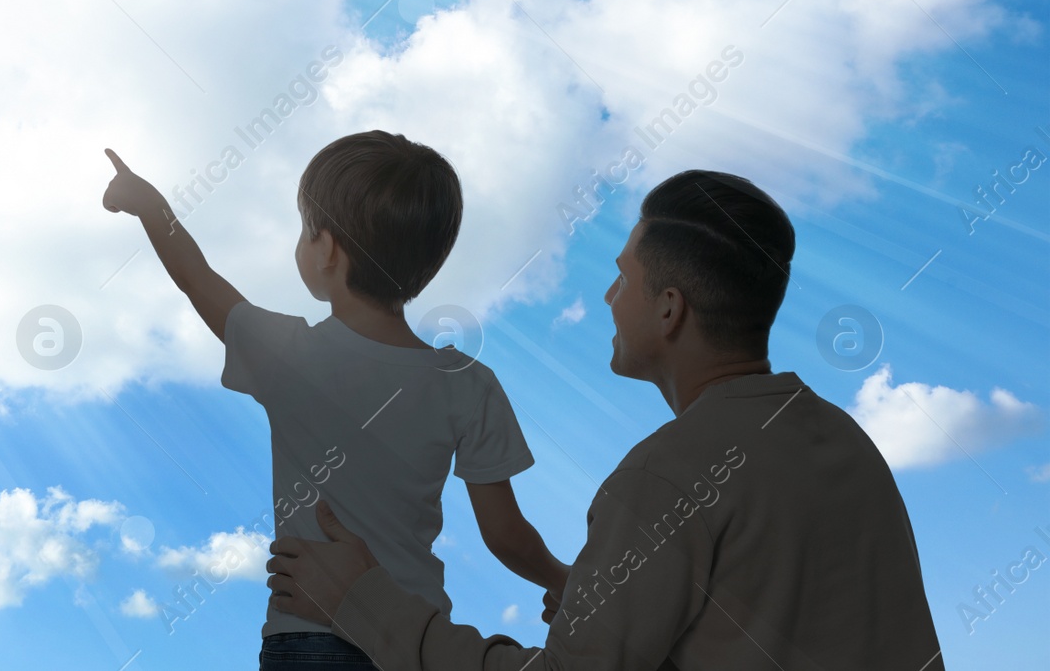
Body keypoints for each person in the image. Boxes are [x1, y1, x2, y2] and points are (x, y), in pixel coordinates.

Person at [266, 169, 946, 671]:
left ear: (670, 310)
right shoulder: (847, 446)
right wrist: (594, 598)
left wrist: (365, 600)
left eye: (624, 277)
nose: (608, 295)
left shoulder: (666, 475)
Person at [102, 132, 571, 670]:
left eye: (305, 230)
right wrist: (564, 579)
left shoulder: (287, 355)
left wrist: (148, 204)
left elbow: (195, 277)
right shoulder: (466, 381)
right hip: (415, 640)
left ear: (325, 248)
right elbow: (507, 536)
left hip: (308, 634)